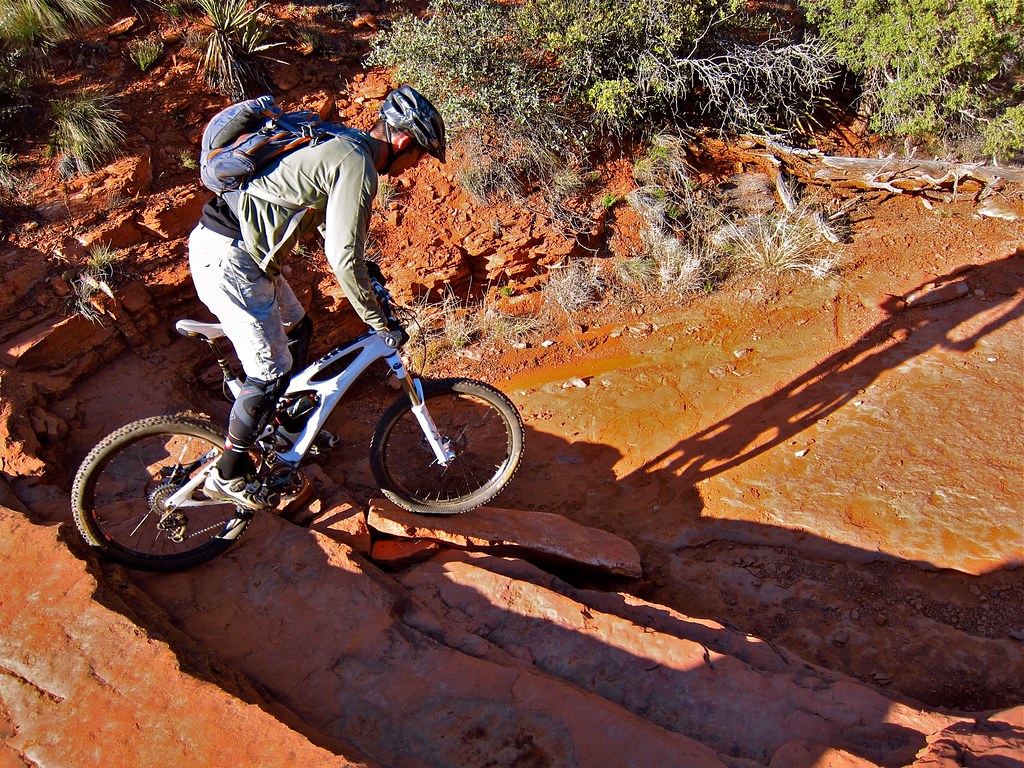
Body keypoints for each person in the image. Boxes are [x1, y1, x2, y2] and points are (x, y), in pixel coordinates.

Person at [188, 85, 446, 509]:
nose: (416, 164)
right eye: (420, 153)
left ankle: (285, 427)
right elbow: (342, 258)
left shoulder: (344, 143)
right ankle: (228, 474)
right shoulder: (358, 163)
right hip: (230, 259)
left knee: (298, 326)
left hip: (241, 255)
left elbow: (328, 221)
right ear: (402, 141)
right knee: (270, 373)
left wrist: (372, 275)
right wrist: (379, 320)